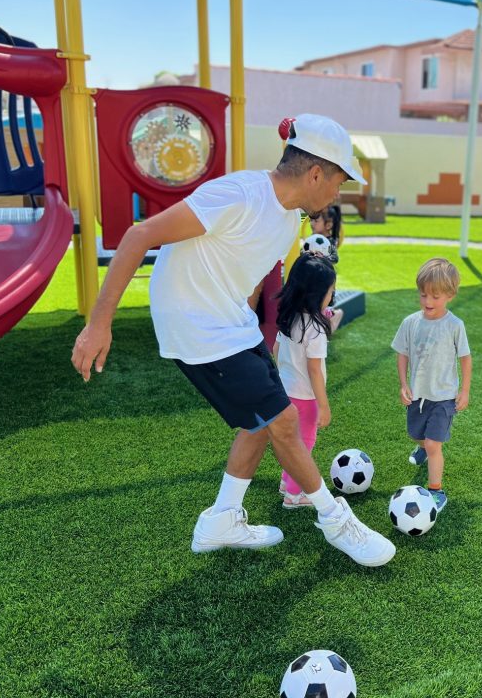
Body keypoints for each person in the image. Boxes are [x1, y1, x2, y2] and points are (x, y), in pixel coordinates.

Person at [70, 113, 395, 567]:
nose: (340, 193)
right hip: (197, 325)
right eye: (340, 181)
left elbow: (241, 269)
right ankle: (335, 521)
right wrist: (98, 323)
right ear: (317, 173)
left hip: (230, 322)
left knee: (260, 422)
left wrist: (257, 327)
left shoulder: (288, 219)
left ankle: (221, 520)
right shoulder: (237, 194)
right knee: (281, 421)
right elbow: (139, 234)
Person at [391, 258, 472, 512]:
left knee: (434, 443)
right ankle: (423, 447)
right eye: (423, 294)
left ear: (450, 295)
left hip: (444, 398)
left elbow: (465, 359)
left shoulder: (455, 326)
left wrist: (465, 389)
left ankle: (436, 491)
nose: (428, 301)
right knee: (418, 436)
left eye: (435, 296)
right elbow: (402, 353)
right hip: (417, 395)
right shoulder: (410, 322)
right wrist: (403, 383)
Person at [273, 253, 335, 509]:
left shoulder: (290, 318)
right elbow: (314, 370)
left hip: (285, 392)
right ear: (317, 293)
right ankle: (295, 495)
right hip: (305, 397)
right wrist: (324, 404)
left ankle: (287, 481)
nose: (331, 295)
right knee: (304, 443)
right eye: (330, 291)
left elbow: (276, 349)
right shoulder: (316, 329)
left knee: (290, 441)